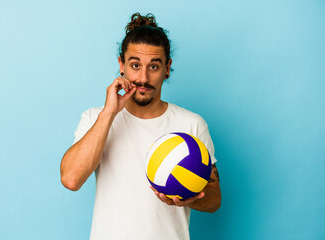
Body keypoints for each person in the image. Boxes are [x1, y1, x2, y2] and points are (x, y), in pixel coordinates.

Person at [60, 12, 221, 240]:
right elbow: (71, 179)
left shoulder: (191, 124)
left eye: (153, 67)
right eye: (135, 65)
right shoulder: (95, 118)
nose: (143, 78)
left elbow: (214, 200)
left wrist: (190, 195)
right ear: (121, 65)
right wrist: (109, 113)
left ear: (167, 68)